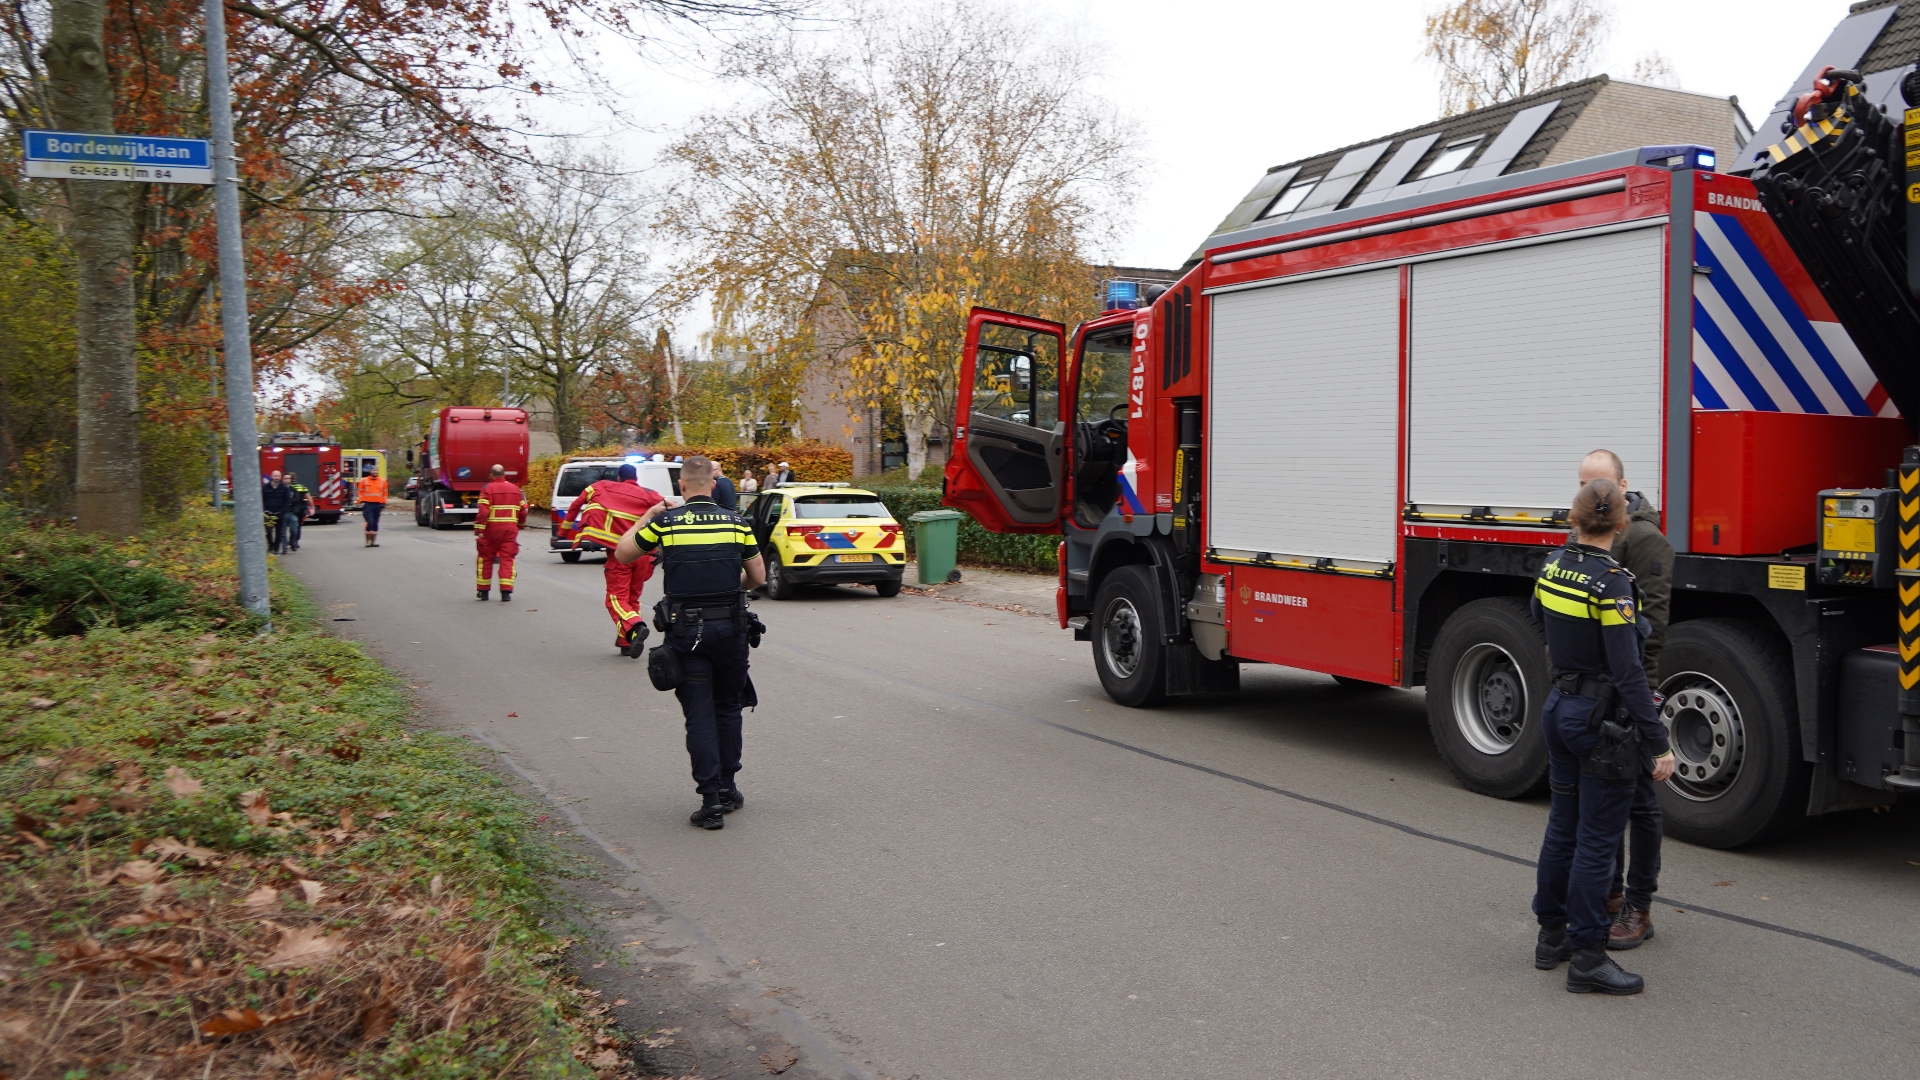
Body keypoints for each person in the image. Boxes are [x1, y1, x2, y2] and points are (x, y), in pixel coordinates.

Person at [1530, 478, 1676, 994]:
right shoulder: (1613, 582)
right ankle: (1589, 957)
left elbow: (1539, 624)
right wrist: (1658, 742)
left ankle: (1552, 936)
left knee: (1563, 825)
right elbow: (1630, 671)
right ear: (1621, 525)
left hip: (1559, 708)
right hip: (1602, 723)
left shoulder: (1551, 567)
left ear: (1573, 519)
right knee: (1598, 839)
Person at [616, 455, 767, 830]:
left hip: (687, 634)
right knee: (729, 708)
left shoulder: (666, 522)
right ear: (712, 485)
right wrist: (735, 591)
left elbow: (623, 553)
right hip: (731, 631)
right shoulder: (737, 523)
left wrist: (648, 513)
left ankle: (710, 800)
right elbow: (758, 577)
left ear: (681, 486)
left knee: (698, 713)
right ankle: (730, 788)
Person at [1577, 449, 1674, 950]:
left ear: (1623, 485)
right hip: (1596, 689)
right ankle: (1611, 893)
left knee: (1639, 801)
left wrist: (1643, 698)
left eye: (1603, 485)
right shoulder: (1585, 533)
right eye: (1585, 485)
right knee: (1605, 791)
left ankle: (1640, 905)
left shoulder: (1647, 540)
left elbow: (1652, 629)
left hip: (1632, 689)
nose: (1595, 496)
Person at [566, 462, 667, 656]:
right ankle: (626, 641)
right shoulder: (650, 494)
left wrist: (566, 529)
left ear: (619, 477)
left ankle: (634, 625)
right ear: (636, 478)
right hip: (644, 556)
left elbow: (577, 503)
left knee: (615, 599)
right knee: (632, 599)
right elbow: (667, 508)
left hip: (620, 555)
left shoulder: (605, 486)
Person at [473, 464, 527, 601]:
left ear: (491, 475)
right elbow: (524, 511)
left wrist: (479, 529)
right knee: (507, 559)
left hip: (491, 531)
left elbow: (484, 511)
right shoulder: (515, 490)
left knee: (485, 559)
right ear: (504, 475)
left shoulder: (487, 489)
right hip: (510, 531)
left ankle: (483, 592)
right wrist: (520, 525)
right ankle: (506, 592)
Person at [261, 471, 295, 554]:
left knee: (279, 532)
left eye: (278, 476)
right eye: (275, 476)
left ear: (280, 477)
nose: (276, 477)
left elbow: (287, 501)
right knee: (268, 531)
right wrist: (264, 510)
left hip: (280, 513)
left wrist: (283, 511)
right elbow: (262, 499)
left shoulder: (284, 488)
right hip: (268, 513)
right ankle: (270, 546)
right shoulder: (265, 487)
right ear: (271, 476)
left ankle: (276, 549)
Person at [356, 465, 389, 547]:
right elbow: (360, 491)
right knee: (369, 522)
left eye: (376, 470)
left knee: (375, 524)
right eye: (373, 470)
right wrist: (361, 501)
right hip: (368, 504)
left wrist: (383, 502)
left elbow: (385, 493)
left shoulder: (383, 481)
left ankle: (373, 542)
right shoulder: (364, 481)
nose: (375, 472)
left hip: (378, 504)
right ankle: (367, 542)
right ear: (370, 471)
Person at [286, 479, 311, 551]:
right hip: (300, 509)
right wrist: (312, 507)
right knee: (298, 526)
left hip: (290, 509)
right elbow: (309, 497)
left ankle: (288, 542)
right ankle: (295, 542)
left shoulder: (287, 486)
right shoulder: (302, 486)